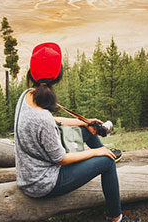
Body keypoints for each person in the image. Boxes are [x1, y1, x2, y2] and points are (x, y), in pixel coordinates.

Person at [14, 42, 134, 222]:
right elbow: (60, 159)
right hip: (42, 183)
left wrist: (83, 122)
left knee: (88, 133)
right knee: (107, 162)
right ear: (58, 76)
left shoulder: (27, 95)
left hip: (30, 172)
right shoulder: (42, 118)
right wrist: (96, 152)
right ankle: (116, 218)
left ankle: (103, 160)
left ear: (31, 73)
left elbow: (53, 120)